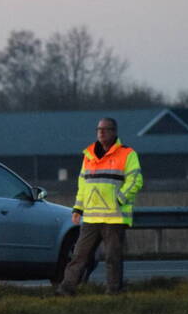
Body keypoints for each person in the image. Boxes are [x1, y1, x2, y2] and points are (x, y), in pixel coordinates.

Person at [56, 117, 143, 296]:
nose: (101, 132)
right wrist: (77, 208)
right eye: (99, 129)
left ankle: (113, 291)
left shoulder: (127, 154)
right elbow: (83, 185)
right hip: (91, 218)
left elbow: (136, 180)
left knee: (112, 257)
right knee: (79, 256)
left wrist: (119, 199)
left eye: (105, 129)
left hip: (114, 217)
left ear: (114, 132)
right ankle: (66, 289)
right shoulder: (88, 155)